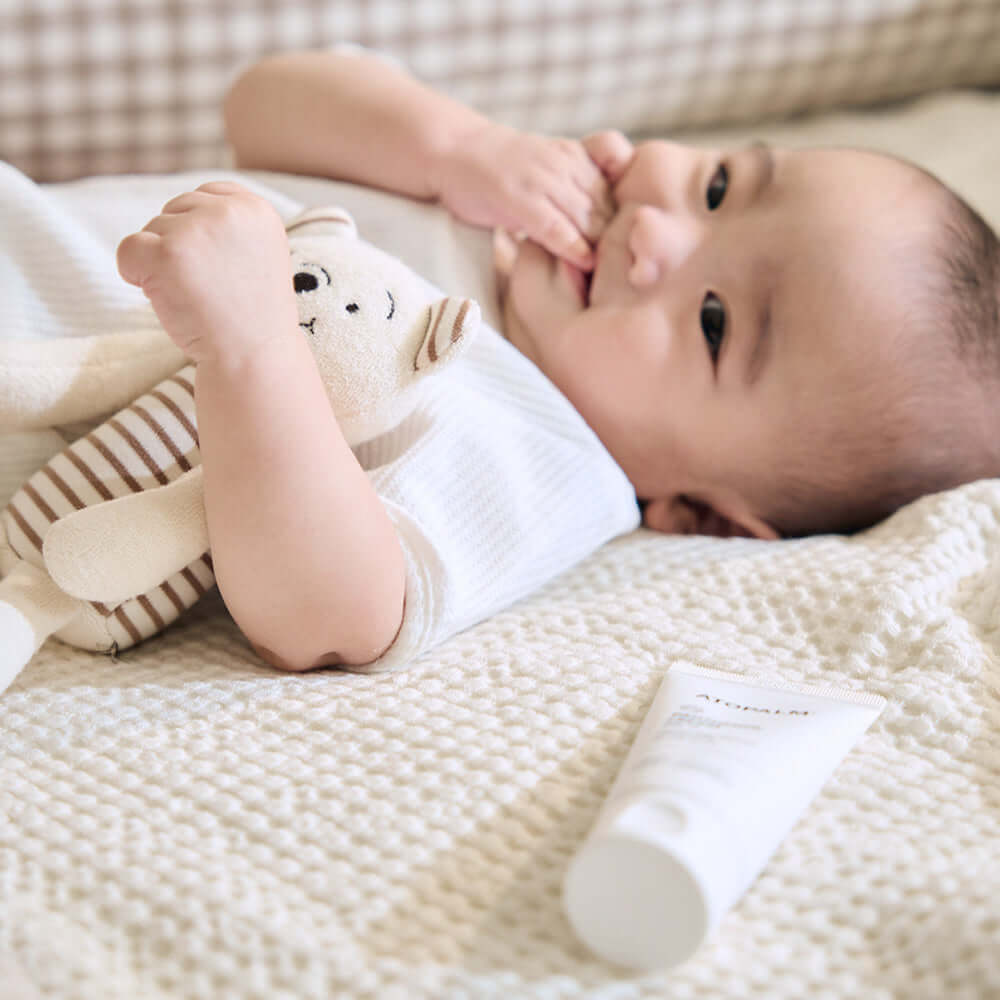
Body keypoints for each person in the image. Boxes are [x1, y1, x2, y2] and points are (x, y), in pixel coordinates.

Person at [110, 47, 999, 673]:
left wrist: (254, 347)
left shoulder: (551, 458)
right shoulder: (491, 189)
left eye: (715, 322)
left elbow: (329, 614)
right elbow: (261, 104)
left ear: (701, 516)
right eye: (720, 187)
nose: (652, 231)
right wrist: (458, 147)